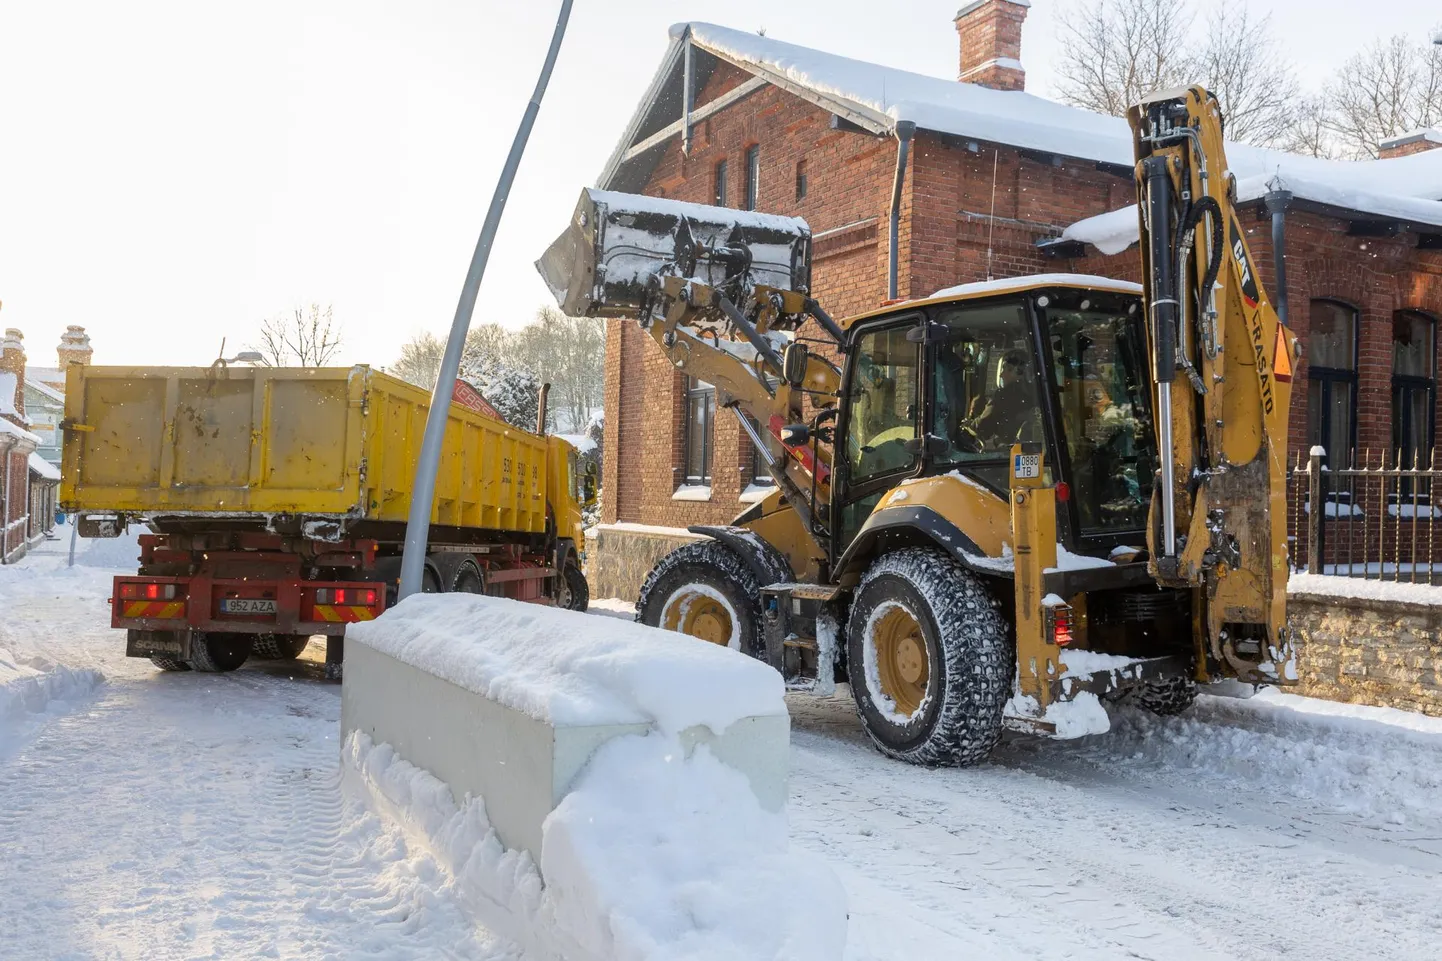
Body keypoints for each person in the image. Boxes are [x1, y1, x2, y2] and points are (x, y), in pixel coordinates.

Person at [973, 349, 1032, 447]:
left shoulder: (1004, 394)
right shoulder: (1034, 394)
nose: (1001, 375)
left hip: (1008, 451)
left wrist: (969, 425)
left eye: (1006, 369)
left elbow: (983, 427)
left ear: (1019, 372)